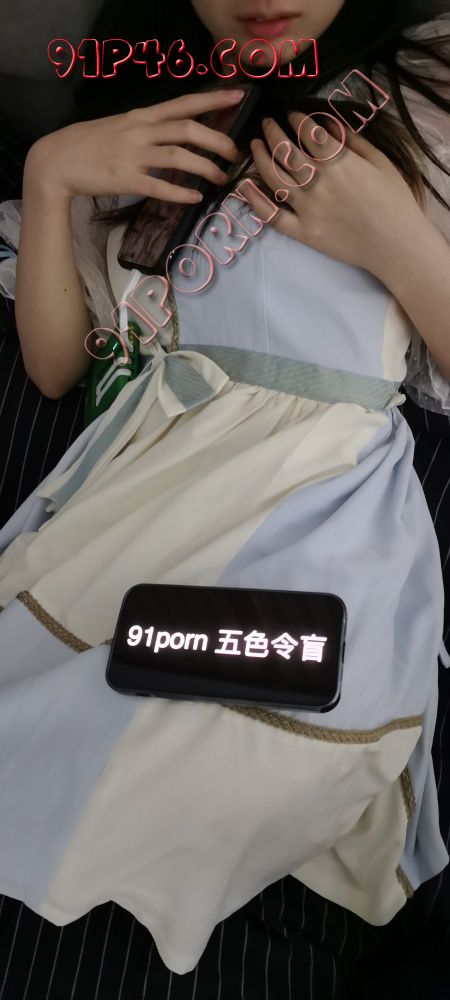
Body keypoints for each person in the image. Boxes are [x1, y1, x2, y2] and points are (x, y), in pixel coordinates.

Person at [0, 0, 449, 983]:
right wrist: (51, 174)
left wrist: (400, 245)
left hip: (316, 510)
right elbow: (56, 365)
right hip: (145, 490)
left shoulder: (424, 94)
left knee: (209, 757)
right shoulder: (156, 106)